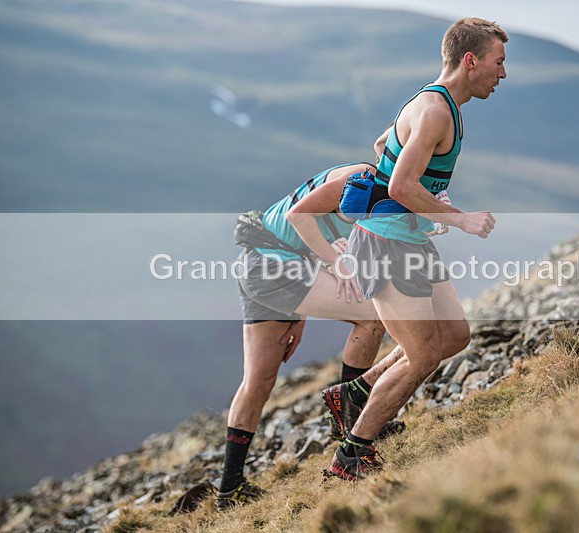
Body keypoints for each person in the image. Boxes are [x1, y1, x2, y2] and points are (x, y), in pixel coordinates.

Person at [321, 17, 509, 480]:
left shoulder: (434, 102)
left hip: (408, 238)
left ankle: (358, 390)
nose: (502, 74)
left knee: (454, 336)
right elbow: (403, 185)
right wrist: (458, 216)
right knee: (423, 355)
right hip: (385, 243)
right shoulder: (436, 111)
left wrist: (428, 198)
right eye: (498, 62)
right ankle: (351, 456)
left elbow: (385, 143)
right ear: (471, 61)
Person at [217, 162, 398, 509]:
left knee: (258, 380)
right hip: (273, 266)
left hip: (259, 265)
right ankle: (353, 422)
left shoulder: (374, 185)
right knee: (374, 318)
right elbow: (299, 217)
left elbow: (297, 234)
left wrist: (296, 313)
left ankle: (230, 488)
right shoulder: (359, 178)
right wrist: (337, 262)